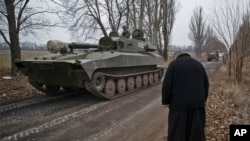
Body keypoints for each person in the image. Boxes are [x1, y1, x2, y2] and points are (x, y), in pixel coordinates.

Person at [162, 53, 209, 141]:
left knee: (177, 133)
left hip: (178, 107)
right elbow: (206, 84)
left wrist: (165, 101)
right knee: (196, 134)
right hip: (197, 105)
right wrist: (203, 99)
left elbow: (166, 84)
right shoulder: (198, 64)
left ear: (177, 57)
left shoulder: (173, 65)